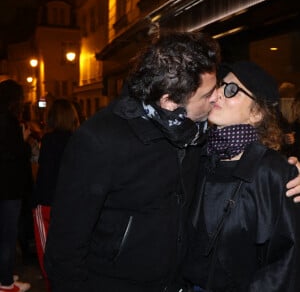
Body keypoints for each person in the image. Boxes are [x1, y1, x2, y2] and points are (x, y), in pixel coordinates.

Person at [44, 32, 300, 292]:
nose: (216, 97)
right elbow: (65, 252)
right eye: (210, 92)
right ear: (169, 102)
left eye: (224, 87)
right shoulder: (100, 140)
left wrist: (291, 171)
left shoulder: (201, 138)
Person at [183, 61, 300, 291]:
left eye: (231, 90)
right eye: (220, 86)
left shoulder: (273, 172)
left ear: (256, 113)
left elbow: (285, 263)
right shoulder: (197, 156)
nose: (217, 95)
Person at [32, 99, 79, 291]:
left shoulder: (49, 141)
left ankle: (53, 285)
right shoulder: (78, 139)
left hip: (47, 202)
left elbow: (44, 175)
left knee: (46, 250)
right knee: (66, 249)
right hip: (70, 204)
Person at [0, 80, 31, 292]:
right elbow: (15, 155)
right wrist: (25, 139)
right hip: (8, 188)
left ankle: (5, 275)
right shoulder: (8, 123)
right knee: (7, 236)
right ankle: (6, 283)